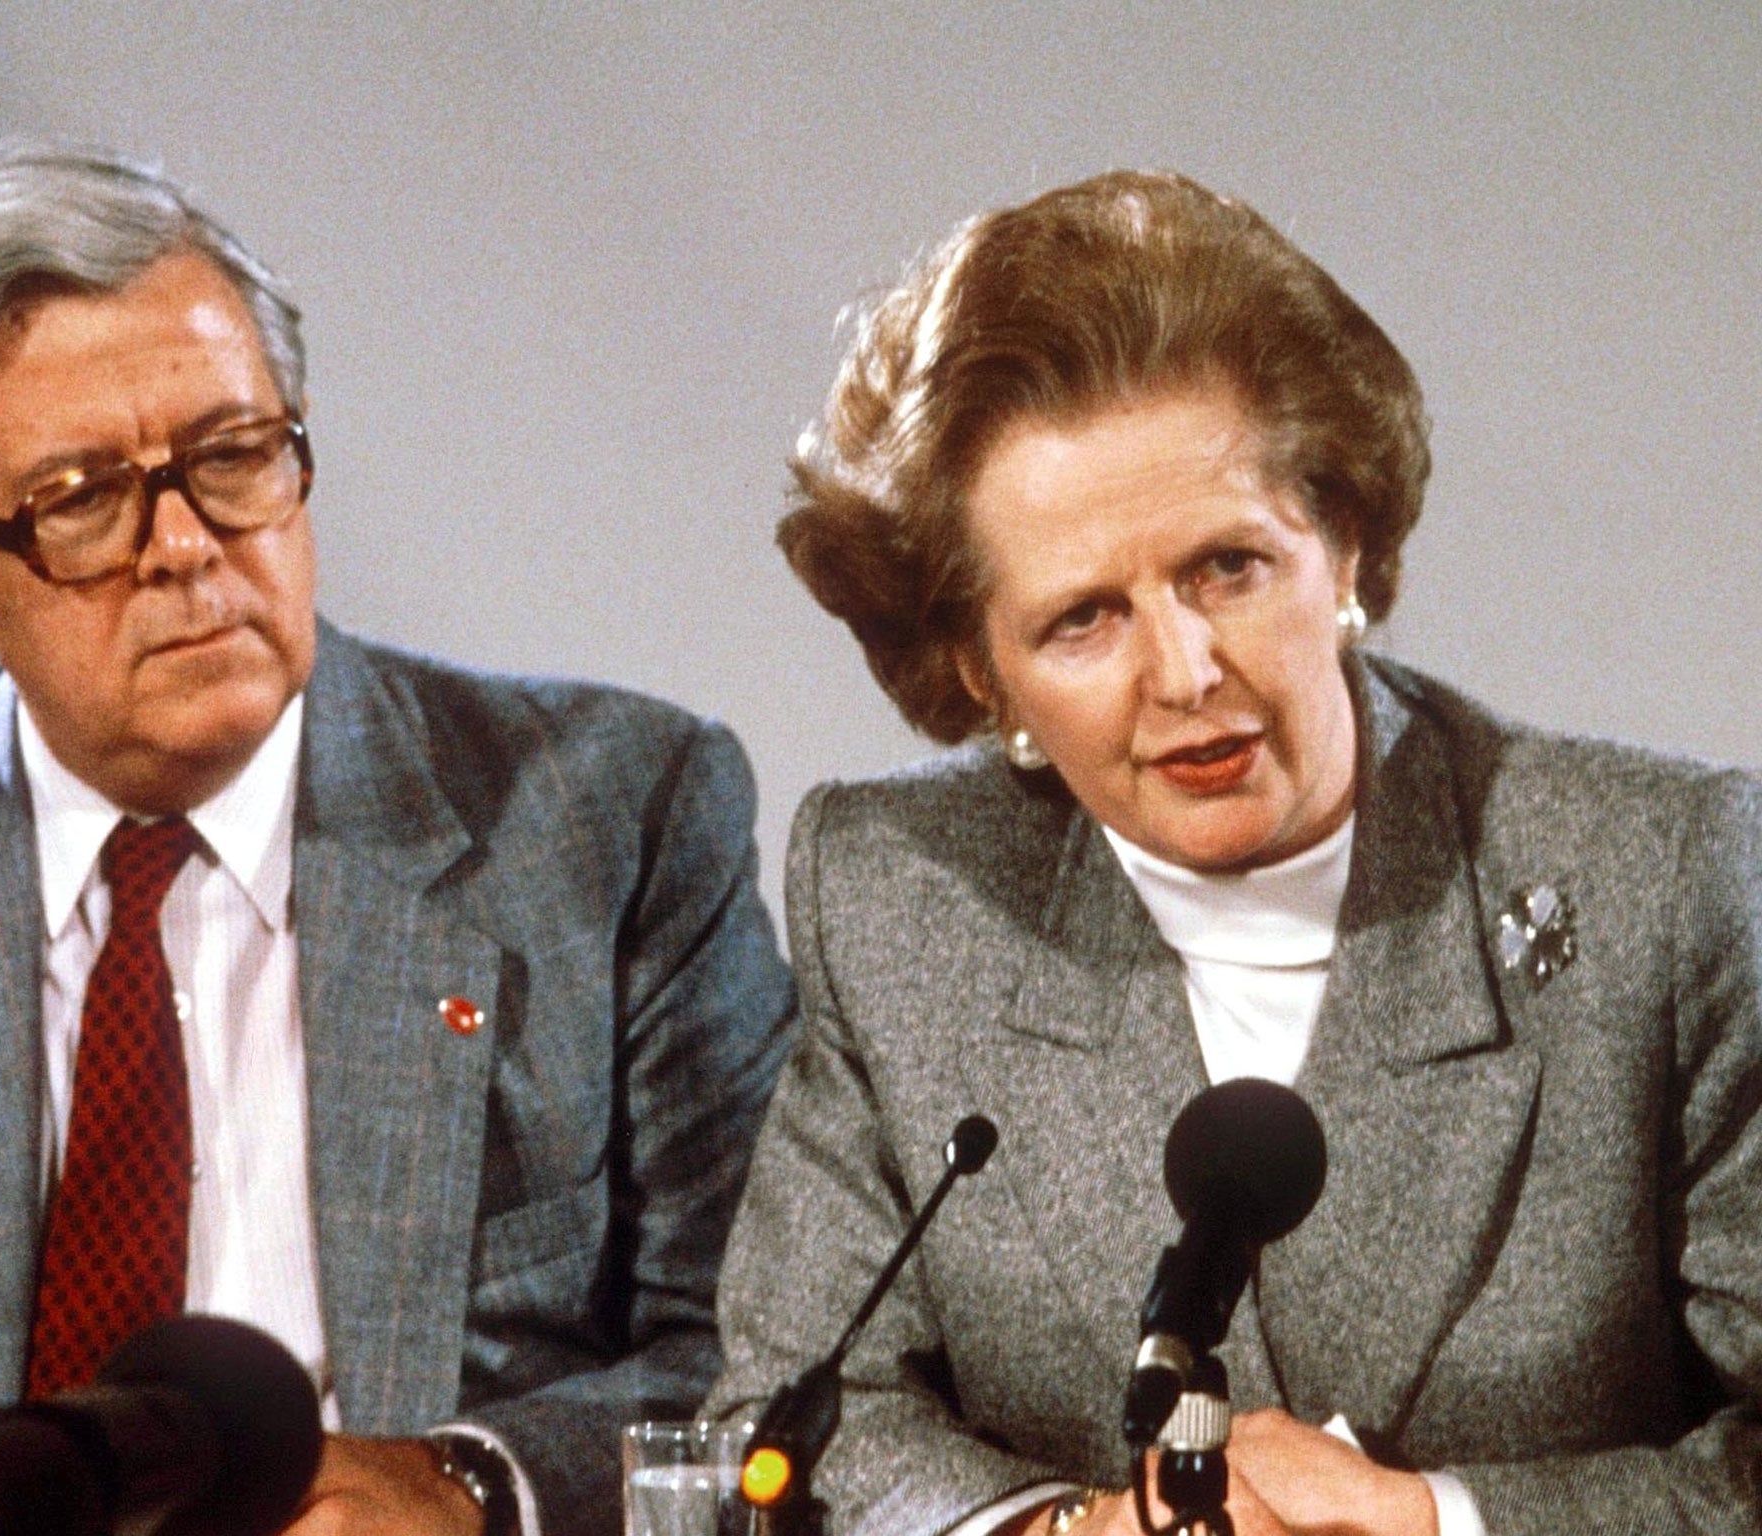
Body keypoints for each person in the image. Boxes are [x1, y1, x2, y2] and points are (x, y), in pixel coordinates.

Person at [0, 142, 795, 1536]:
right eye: (81, 498)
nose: (184, 545)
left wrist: (468, 1485)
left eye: (232, 455)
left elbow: (768, 1345)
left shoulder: (611, 817)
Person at [705, 170, 1762, 1536]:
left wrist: (1438, 1522)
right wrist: (1058, 1531)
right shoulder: (901, 896)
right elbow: (794, 1413)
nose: (1185, 670)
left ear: (1345, 548)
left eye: (1228, 567)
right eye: (1082, 618)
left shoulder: (1660, 878)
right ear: (980, 670)